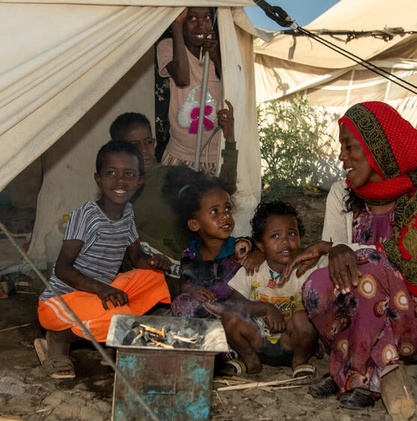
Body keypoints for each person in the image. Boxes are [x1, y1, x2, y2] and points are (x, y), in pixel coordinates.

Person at [283, 101, 417, 409]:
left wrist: (336, 249)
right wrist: (333, 255)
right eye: (340, 147)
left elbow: (405, 259)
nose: (342, 156)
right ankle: (363, 372)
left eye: (349, 146)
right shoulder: (342, 194)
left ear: (377, 146)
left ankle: (351, 371)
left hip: (413, 324)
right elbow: (335, 272)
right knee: (315, 283)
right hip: (358, 322)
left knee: (373, 268)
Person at [36, 140, 172, 379]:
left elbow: (137, 257)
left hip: (99, 294)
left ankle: (111, 338)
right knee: (119, 315)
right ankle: (58, 340)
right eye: (111, 173)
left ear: (139, 181)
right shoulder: (86, 215)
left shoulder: (127, 213)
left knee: (153, 278)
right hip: (62, 300)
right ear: (98, 179)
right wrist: (101, 289)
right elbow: (62, 269)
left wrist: (154, 262)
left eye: (129, 174)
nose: (120, 181)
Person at [108, 105, 238, 296]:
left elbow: (224, 188)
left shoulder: (173, 177)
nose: (144, 151)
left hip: (191, 272)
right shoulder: (117, 195)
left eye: (148, 142)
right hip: (151, 280)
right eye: (134, 146)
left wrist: (230, 141)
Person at [210, 201, 321, 378]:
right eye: (275, 236)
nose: (285, 241)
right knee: (230, 316)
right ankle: (250, 361)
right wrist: (266, 308)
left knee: (304, 318)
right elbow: (234, 303)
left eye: (292, 234)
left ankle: (300, 362)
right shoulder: (252, 270)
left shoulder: (305, 272)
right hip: (258, 341)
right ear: (260, 246)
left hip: (291, 344)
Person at [161, 166, 251, 320]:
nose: (225, 216)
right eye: (215, 211)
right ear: (194, 225)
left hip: (237, 309)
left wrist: (258, 256)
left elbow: (265, 256)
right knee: (180, 303)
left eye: (228, 209)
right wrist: (192, 290)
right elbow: (185, 285)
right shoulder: (190, 254)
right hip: (208, 308)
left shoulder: (242, 247)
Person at [156, 6, 224, 175]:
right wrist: (176, 26)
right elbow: (182, 78)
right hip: (180, 155)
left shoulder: (222, 51)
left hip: (214, 155)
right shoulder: (167, 46)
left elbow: (233, 85)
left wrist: (215, 56)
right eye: (192, 18)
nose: (201, 25)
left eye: (206, 18)